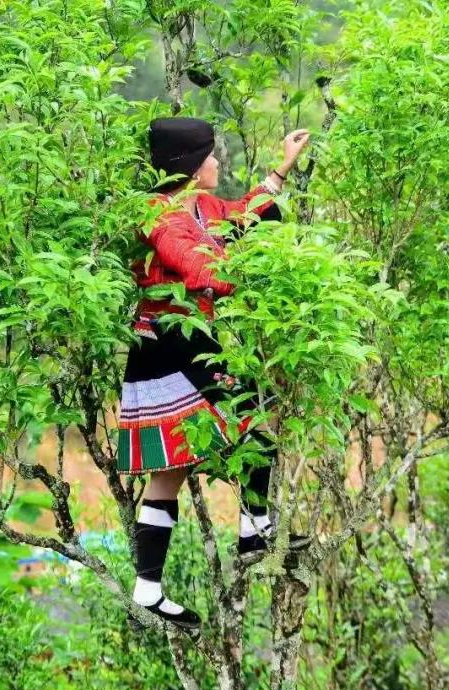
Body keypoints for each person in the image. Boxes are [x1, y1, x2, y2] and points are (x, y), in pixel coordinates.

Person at [116, 117, 312, 628]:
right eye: (211, 155)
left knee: (172, 469)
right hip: (170, 340)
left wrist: (281, 170)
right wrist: (260, 275)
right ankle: (254, 530)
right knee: (256, 417)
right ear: (190, 165)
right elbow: (200, 269)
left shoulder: (198, 207)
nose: (217, 163)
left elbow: (240, 215)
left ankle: (148, 589)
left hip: (183, 339)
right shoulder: (160, 216)